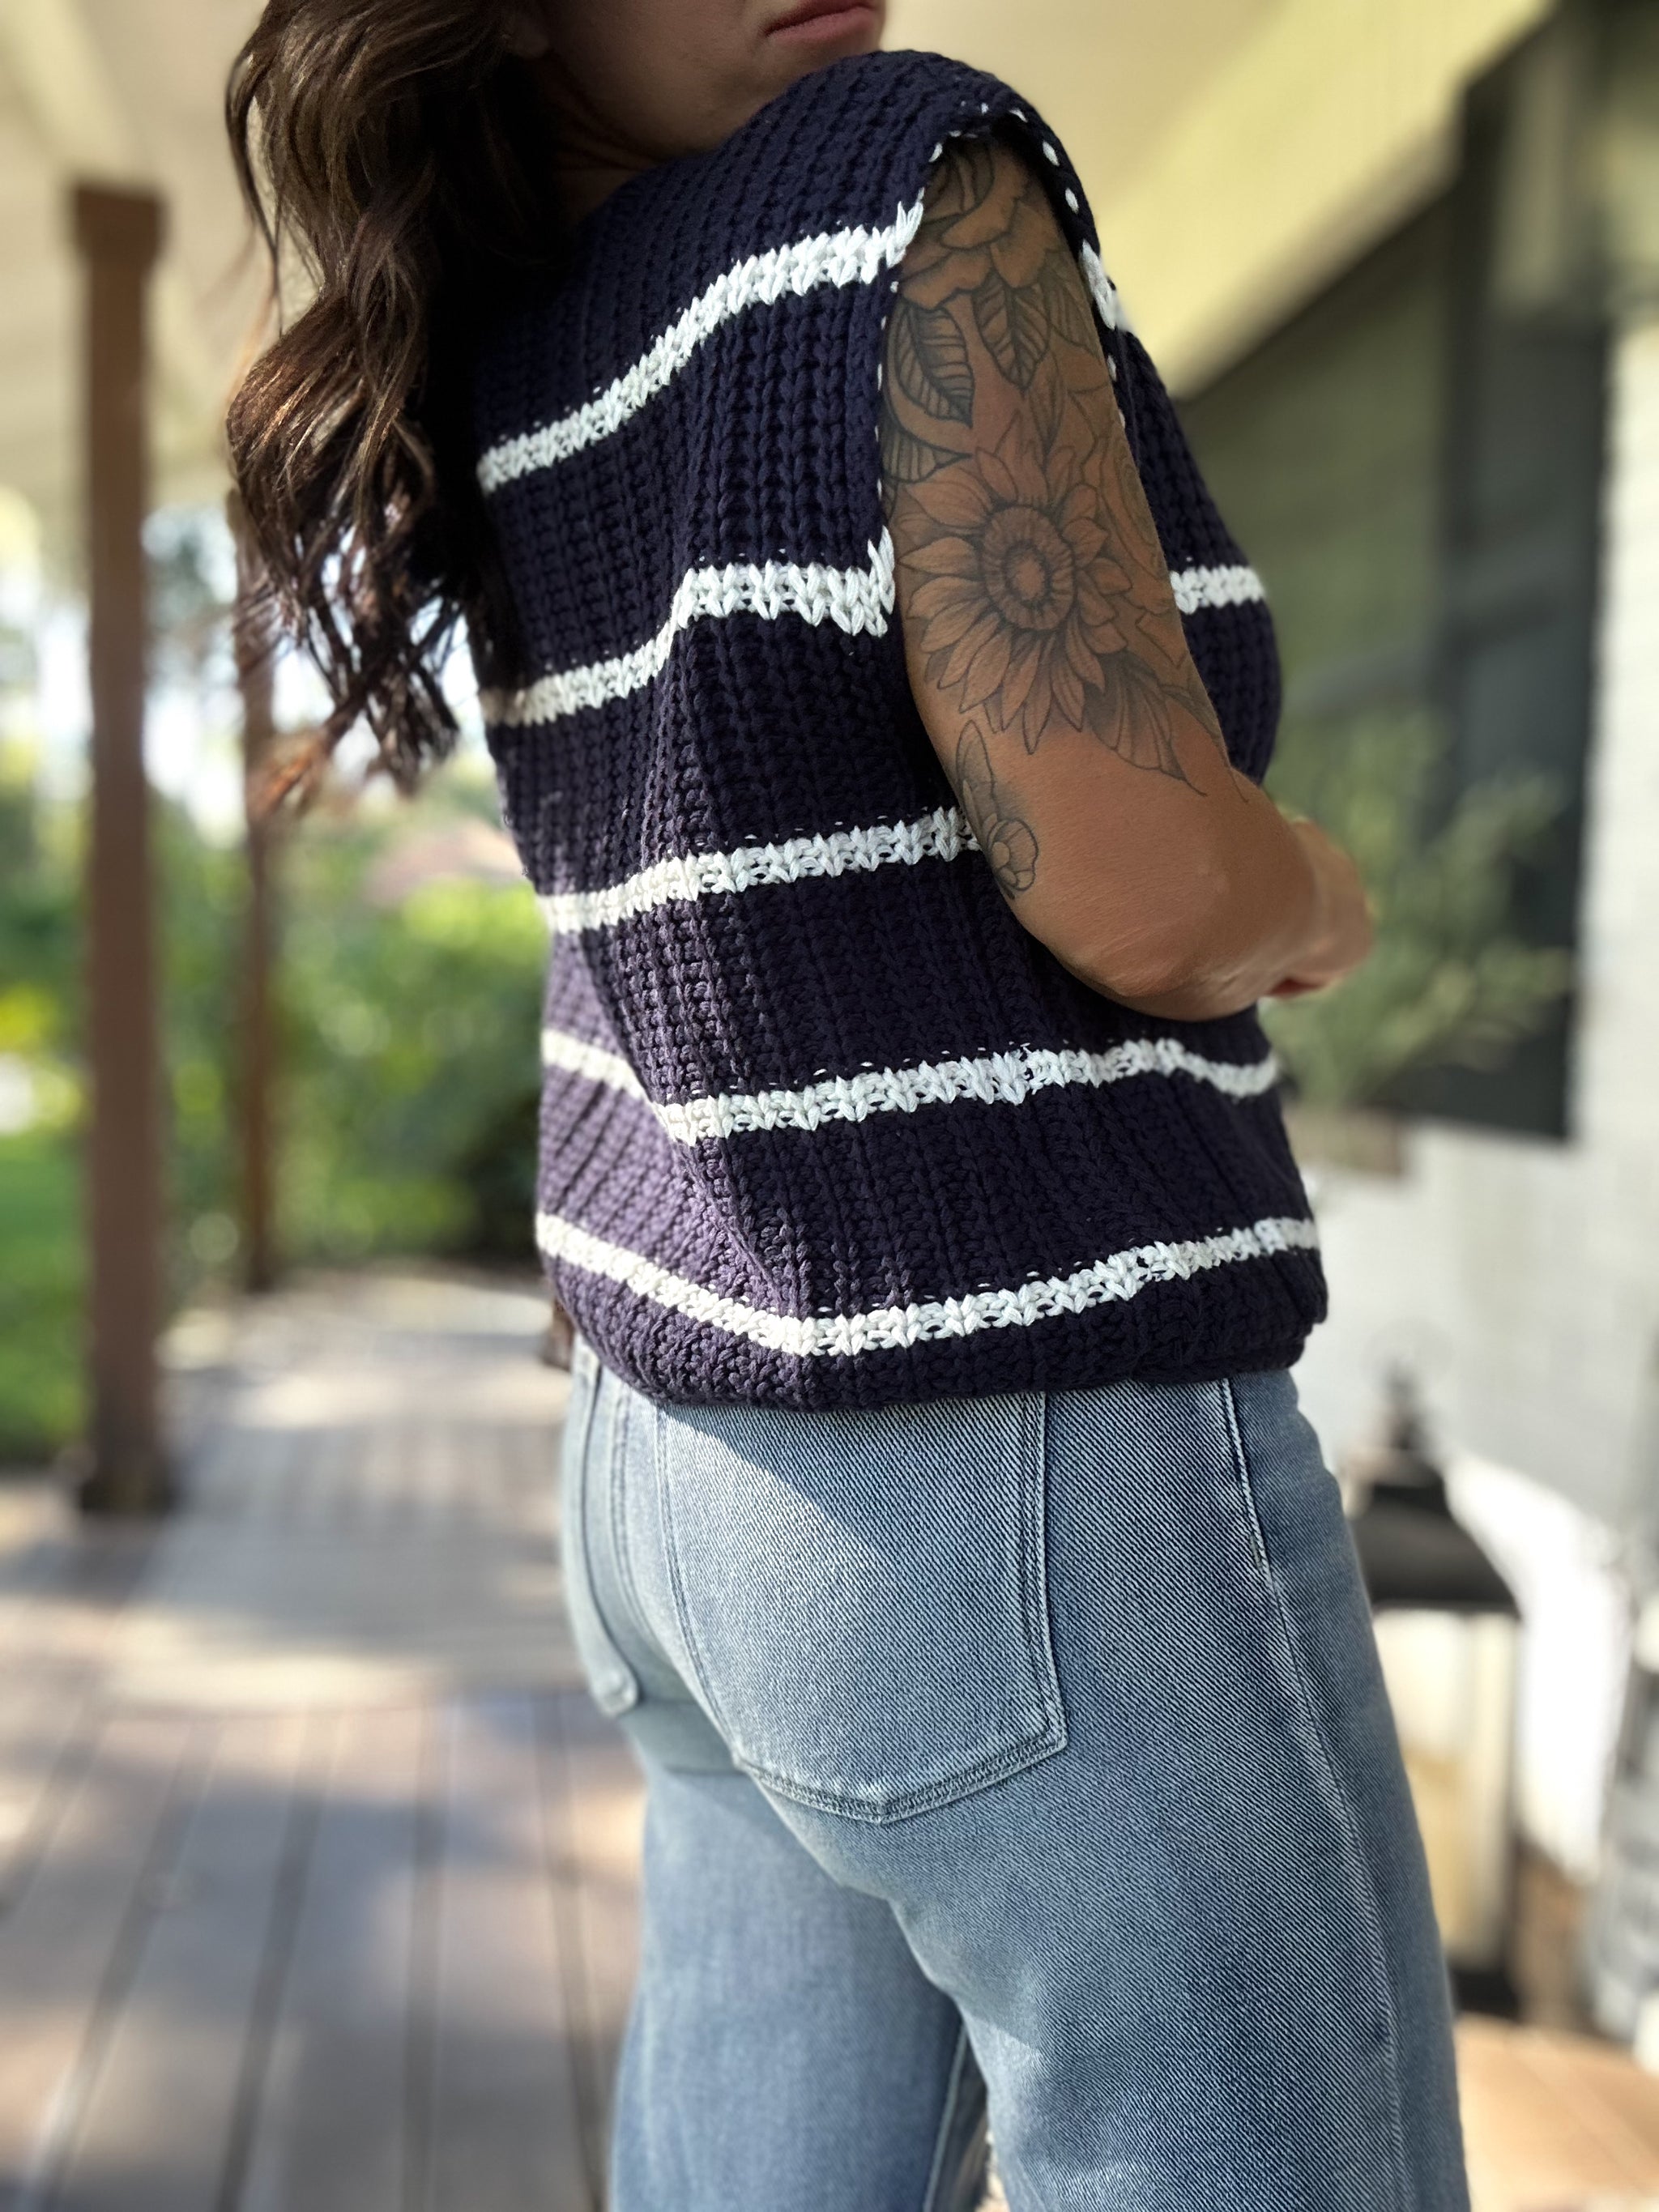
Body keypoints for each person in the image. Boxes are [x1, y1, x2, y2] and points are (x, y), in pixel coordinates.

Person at [226, 4, 1469, 2206]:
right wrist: (1321, 889)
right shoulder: (901, 173)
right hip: (1020, 1444)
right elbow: (1144, 877)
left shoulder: (518, 342)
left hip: (669, 1471)